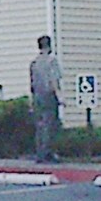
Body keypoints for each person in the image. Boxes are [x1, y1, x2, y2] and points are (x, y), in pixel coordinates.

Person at [29, 35, 62, 163]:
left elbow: (32, 84)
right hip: (49, 95)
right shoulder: (52, 61)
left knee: (40, 125)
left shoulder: (34, 63)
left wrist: (31, 101)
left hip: (37, 96)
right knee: (50, 124)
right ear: (49, 46)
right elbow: (54, 80)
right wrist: (60, 96)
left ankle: (40, 153)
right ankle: (48, 153)